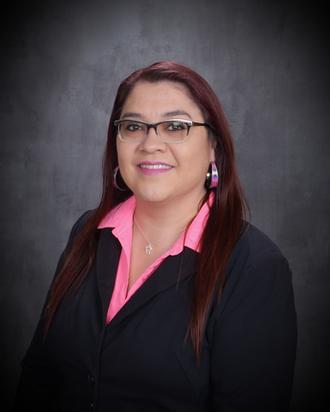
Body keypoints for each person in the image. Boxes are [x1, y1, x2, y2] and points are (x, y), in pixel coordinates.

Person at [13, 61, 297, 412]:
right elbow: (39, 376)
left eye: (175, 126)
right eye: (133, 126)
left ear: (214, 147)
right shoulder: (86, 233)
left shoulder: (255, 268)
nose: (151, 143)